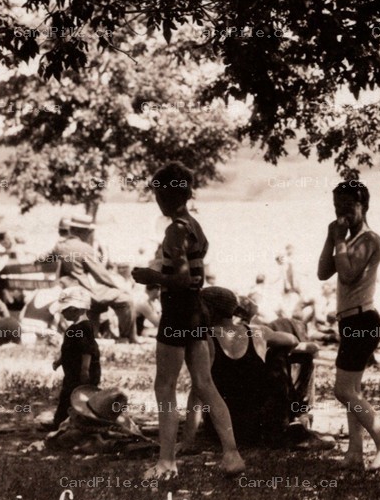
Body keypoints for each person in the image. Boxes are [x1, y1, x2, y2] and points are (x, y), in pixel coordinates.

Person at [129, 162, 246, 480]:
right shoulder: (194, 225)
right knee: (205, 384)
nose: (155, 199)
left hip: (178, 309)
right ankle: (231, 454)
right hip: (196, 310)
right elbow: (195, 277)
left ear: (166, 194)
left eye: (156, 193)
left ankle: (166, 462)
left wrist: (149, 275)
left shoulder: (175, 229)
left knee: (164, 386)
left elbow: (179, 279)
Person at [182, 286, 333, 451]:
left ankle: (297, 418)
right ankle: (299, 414)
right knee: (283, 354)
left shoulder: (205, 340)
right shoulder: (257, 333)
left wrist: (188, 441)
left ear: (207, 310)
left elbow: (197, 392)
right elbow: (293, 341)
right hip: (262, 425)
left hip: (222, 429)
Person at [317, 177, 380, 469]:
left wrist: (339, 240)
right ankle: (355, 453)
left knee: (343, 391)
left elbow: (349, 273)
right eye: (337, 206)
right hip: (350, 321)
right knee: (353, 391)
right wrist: (332, 237)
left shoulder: (369, 239)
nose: (343, 212)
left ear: (364, 206)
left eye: (349, 206)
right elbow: (323, 272)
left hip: (363, 319)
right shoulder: (347, 239)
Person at [53, 214, 141, 343]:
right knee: (126, 300)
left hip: (68, 290)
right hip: (83, 292)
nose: (90, 235)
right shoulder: (84, 249)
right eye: (89, 232)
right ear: (82, 231)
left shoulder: (59, 246)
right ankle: (126, 337)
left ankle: (95, 333)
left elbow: (41, 260)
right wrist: (120, 287)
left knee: (100, 300)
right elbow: (101, 275)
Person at [50, 290, 101, 429]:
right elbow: (70, 349)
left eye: (64, 311)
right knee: (67, 396)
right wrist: (60, 361)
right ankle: (60, 422)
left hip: (82, 371)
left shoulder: (83, 328)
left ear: (75, 310)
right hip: (72, 372)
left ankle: (77, 423)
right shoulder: (74, 328)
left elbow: (87, 350)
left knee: (81, 397)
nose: (62, 314)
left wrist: (85, 370)